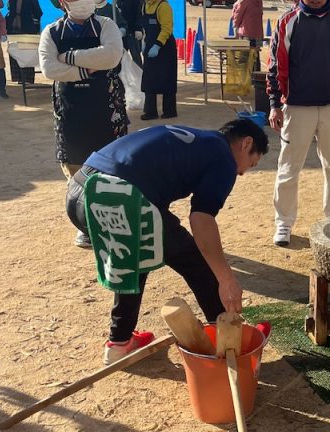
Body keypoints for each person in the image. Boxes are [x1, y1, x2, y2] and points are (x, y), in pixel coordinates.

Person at [65, 119, 269, 365]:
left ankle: (119, 343)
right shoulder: (223, 157)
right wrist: (227, 279)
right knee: (195, 261)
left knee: (136, 252)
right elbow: (202, 220)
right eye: (251, 163)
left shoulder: (197, 139)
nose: (243, 172)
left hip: (79, 192)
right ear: (246, 143)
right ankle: (227, 334)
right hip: (118, 197)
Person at [267, 0, 330, 247]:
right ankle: (284, 222)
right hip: (297, 107)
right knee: (289, 167)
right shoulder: (288, 21)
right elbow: (276, 65)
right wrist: (274, 104)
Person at [39, 0, 129, 247]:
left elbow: (111, 56)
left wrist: (69, 57)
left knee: (112, 167)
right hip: (70, 111)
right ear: (63, 2)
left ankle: (113, 224)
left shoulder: (106, 25)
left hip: (106, 108)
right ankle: (86, 225)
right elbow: (49, 68)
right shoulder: (52, 32)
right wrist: (85, 69)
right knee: (76, 169)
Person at [139, 0, 176, 120]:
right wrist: (144, 41)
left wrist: (158, 45)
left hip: (165, 47)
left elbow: (167, 28)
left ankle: (170, 111)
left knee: (167, 78)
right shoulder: (144, 5)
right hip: (150, 44)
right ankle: (150, 111)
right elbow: (145, 27)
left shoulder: (163, 6)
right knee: (149, 78)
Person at [5, 0, 42, 85]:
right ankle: (28, 78)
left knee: (14, 51)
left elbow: (9, 8)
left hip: (12, 27)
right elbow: (38, 13)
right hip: (27, 28)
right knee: (28, 52)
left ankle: (18, 77)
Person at [116, 0, 142, 66]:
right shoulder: (117, 1)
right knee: (120, 57)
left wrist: (138, 29)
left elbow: (139, 13)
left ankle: (139, 72)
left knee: (136, 56)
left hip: (133, 32)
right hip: (122, 33)